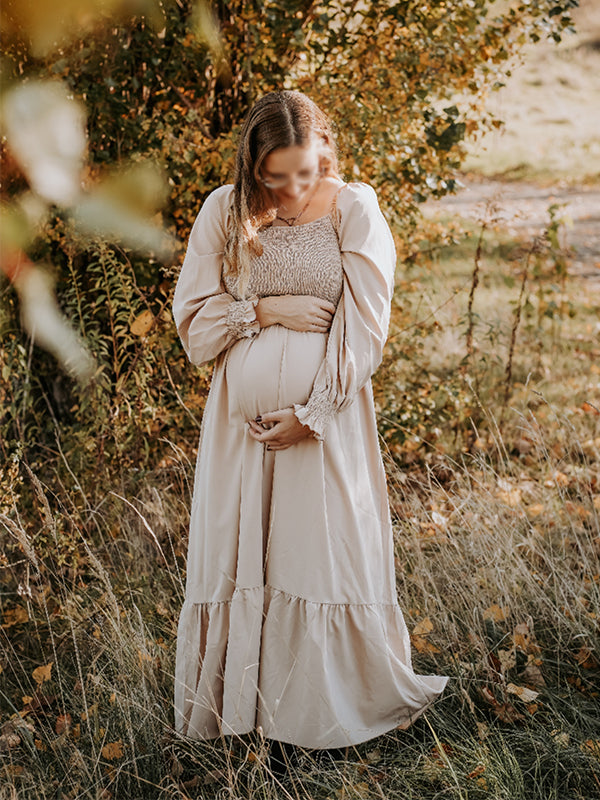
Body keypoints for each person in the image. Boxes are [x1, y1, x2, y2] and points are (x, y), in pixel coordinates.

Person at [171, 90, 449, 766]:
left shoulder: (355, 208)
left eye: (305, 169)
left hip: (326, 421)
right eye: (276, 174)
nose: (293, 186)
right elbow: (194, 324)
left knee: (314, 555)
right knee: (245, 554)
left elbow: (366, 326)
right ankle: (246, 714)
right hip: (240, 432)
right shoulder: (223, 211)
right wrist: (265, 310)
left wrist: (312, 414)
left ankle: (320, 720)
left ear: (323, 150)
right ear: (252, 165)